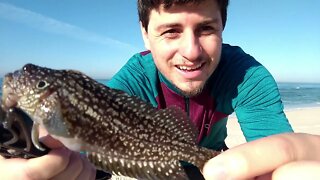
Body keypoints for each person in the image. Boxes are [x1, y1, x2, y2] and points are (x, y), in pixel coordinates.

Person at [0, 0, 318, 179]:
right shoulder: (133, 81)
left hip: (214, 161)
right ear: (145, 35)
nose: (191, 51)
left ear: (223, 28)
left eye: (206, 29)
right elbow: (95, 148)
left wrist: (295, 153)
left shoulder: (247, 76)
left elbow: (272, 147)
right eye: (170, 31)